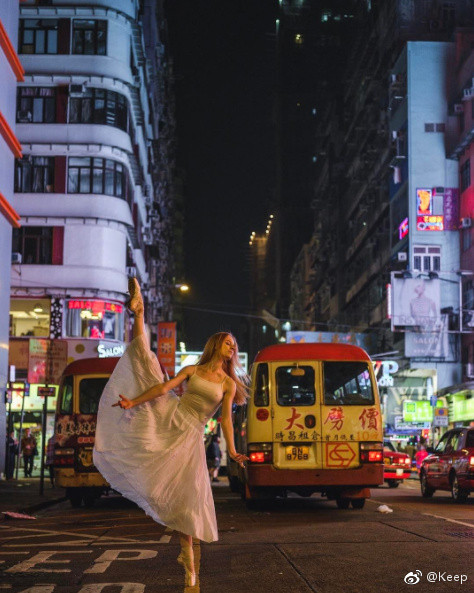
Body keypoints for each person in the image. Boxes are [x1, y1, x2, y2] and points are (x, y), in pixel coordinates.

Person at [93, 278, 249, 587]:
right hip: (170, 414)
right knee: (145, 362)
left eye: (235, 344)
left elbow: (226, 421)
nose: (233, 347)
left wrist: (231, 451)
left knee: (187, 500)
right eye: (228, 342)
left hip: (189, 436)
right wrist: (134, 401)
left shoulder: (229, 384)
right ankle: (139, 311)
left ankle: (188, 563)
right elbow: (164, 387)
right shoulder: (192, 369)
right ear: (217, 344)